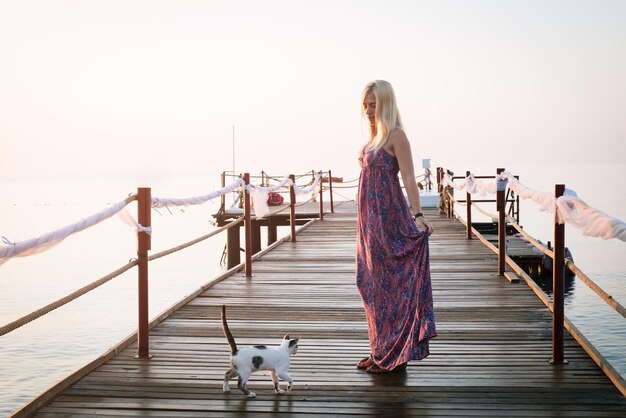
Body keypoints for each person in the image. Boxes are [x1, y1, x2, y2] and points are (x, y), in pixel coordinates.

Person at [355, 80, 437, 373]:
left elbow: (410, 179)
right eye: (365, 105)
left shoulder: (396, 136)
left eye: (374, 105)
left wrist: (418, 215)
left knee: (388, 287)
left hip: (388, 221)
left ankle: (393, 356)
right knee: (370, 284)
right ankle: (379, 351)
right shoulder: (374, 137)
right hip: (368, 224)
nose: (368, 110)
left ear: (386, 104)